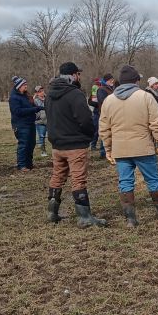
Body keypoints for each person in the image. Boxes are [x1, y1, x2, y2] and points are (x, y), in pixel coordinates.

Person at [99, 64, 158, 227]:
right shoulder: (145, 97)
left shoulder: (109, 100)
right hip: (143, 148)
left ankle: (130, 219)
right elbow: (157, 124)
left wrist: (108, 148)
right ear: (136, 81)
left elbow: (104, 128)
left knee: (125, 182)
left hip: (120, 150)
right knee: (153, 180)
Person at [45, 62, 106, 227]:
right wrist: (88, 135)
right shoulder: (75, 94)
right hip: (75, 145)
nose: (79, 77)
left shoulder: (49, 94)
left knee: (57, 177)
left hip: (57, 145)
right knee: (78, 179)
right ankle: (84, 217)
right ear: (73, 75)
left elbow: (48, 118)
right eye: (78, 74)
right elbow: (85, 119)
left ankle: (52, 212)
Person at [9, 76, 42, 172]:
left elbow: (33, 106)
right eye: (24, 85)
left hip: (30, 123)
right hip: (21, 125)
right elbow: (17, 111)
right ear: (19, 86)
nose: (26, 86)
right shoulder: (14, 98)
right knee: (24, 144)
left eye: (26, 84)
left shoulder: (26, 96)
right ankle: (22, 165)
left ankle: (29, 163)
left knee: (31, 143)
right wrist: (34, 109)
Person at [95, 74, 116, 158]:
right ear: (107, 80)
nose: (112, 82)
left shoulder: (110, 89)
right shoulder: (101, 89)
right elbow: (102, 101)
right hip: (105, 114)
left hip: (112, 114)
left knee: (111, 133)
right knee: (105, 133)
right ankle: (103, 152)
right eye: (111, 80)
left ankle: (110, 151)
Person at [34, 85, 49, 157]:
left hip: (49, 121)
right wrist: (38, 117)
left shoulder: (48, 99)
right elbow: (34, 111)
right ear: (36, 93)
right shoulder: (35, 101)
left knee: (52, 136)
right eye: (39, 92)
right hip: (40, 122)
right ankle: (43, 151)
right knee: (41, 137)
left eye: (42, 91)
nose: (42, 93)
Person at [88, 78, 101, 150]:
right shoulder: (94, 92)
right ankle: (93, 145)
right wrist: (96, 104)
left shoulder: (104, 90)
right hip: (96, 112)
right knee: (95, 129)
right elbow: (89, 102)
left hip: (103, 112)